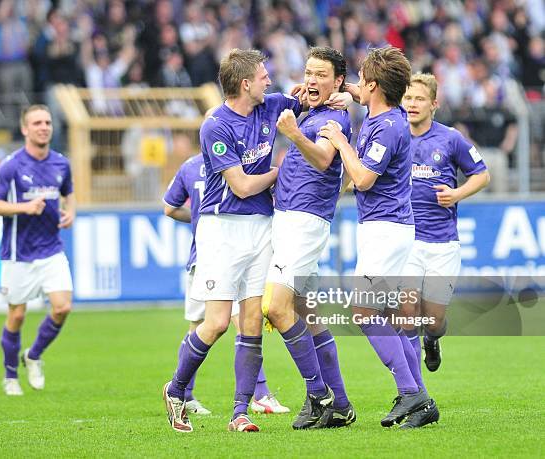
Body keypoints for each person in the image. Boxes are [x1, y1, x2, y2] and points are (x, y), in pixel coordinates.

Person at [162, 48, 302, 433]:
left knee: (253, 321)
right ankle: (175, 390)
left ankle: (239, 412)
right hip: (222, 229)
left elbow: (308, 96)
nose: (269, 81)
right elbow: (240, 186)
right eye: (263, 76)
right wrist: (280, 172)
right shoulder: (216, 126)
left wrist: (346, 93)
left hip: (261, 226)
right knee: (218, 322)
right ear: (245, 84)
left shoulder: (271, 107)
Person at [319, 46, 432, 428]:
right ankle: (420, 400)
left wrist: (339, 139)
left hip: (386, 229)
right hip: (387, 227)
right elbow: (365, 90)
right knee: (386, 314)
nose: (358, 86)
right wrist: (349, 92)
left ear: (376, 86)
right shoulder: (382, 111)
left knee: (363, 311)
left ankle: (410, 392)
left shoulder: (388, 126)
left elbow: (363, 178)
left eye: (363, 81)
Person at [262, 46, 355, 429]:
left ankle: (318, 394)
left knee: (274, 307)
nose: (312, 80)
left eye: (321, 74)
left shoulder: (336, 118)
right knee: (306, 313)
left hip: (305, 222)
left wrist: (294, 133)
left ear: (338, 82)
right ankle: (342, 404)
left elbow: (322, 159)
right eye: (309, 73)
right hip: (288, 218)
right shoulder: (314, 110)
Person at [163, 148, 289, 416]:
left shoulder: (199, 164)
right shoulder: (202, 165)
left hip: (221, 249)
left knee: (226, 324)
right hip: (214, 252)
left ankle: (190, 395)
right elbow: (169, 207)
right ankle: (256, 393)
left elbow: (170, 208)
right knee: (219, 325)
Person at [399, 74, 489, 383]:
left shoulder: (450, 138)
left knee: (433, 320)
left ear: (434, 104)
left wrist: (456, 194)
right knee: (406, 313)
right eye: (408, 97)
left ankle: (432, 339)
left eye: (419, 99)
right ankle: (414, 391)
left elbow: (482, 174)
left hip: (442, 243)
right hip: (406, 239)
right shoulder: (394, 134)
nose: (412, 104)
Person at [0, 105, 75, 396]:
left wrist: (70, 212)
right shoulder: (11, 165)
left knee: (62, 307)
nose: (43, 127)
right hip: (17, 253)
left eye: (47, 122)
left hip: (51, 249)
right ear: (25, 129)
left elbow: (68, 192)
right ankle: (10, 376)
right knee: (17, 316)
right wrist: (24, 207)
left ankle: (33, 355)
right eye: (36, 123)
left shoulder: (61, 163)